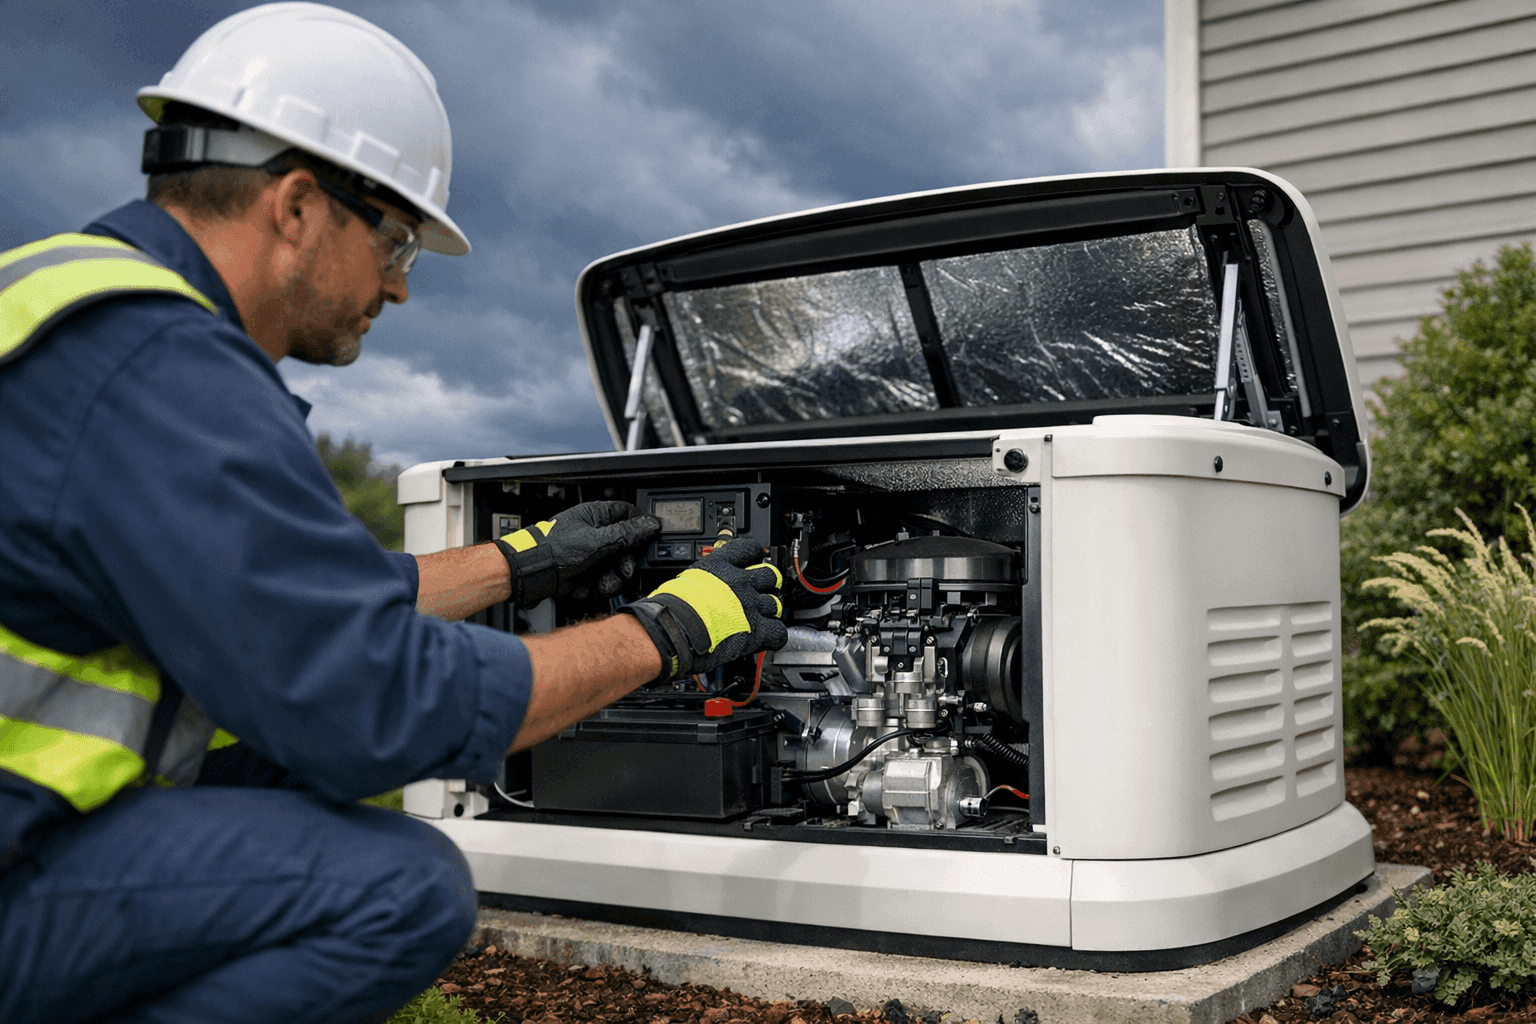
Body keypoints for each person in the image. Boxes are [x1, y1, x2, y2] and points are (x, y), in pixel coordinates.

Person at [0, 5, 786, 1023]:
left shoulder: (68, 305)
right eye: (398, 244)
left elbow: (288, 603)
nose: (399, 290)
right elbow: (368, 701)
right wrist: (666, 631)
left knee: (272, 754)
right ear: (295, 206)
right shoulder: (162, 369)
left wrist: (524, 560)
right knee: (402, 888)